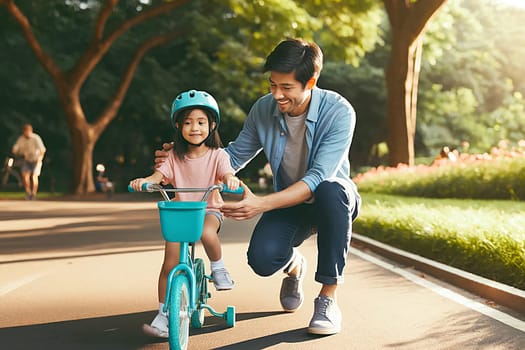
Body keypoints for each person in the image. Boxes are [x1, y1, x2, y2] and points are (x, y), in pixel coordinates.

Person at [155, 38, 361, 335]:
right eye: (272, 84)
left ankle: (328, 299)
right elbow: (234, 155)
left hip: (331, 201)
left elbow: (318, 177)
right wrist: (186, 154)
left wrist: (261, 204)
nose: (277, 94)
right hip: (288, 202)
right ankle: (294, 266)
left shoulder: (339, 111)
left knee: (331, 190)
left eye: (286, 88)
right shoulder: (264, 109)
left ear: (311, 82)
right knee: (262, 260)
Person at [129, 89, 240, 338]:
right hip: (181, 212)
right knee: (169, 264)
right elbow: (159, 176)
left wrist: (231, 180)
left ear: (211, 125)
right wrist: (145, 181)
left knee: (205, 231)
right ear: (178, 126)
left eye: (201, 122)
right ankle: (163, 314)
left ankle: (219, 267)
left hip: (209, 209)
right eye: (188, 122)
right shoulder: (173, 156)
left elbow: (227, 174)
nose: (195, 128)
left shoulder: (218, 156)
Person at [11, 123, 46, 200]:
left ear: (30, 131)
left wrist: (40, 158)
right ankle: (28, 192)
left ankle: (33, 193)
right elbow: (16, 148)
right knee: (24, 176)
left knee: (34, 176)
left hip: (36, 159)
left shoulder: (36, 138)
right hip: (26, 159)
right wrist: (15, 150)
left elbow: (42, 150)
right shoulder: (21, 139)